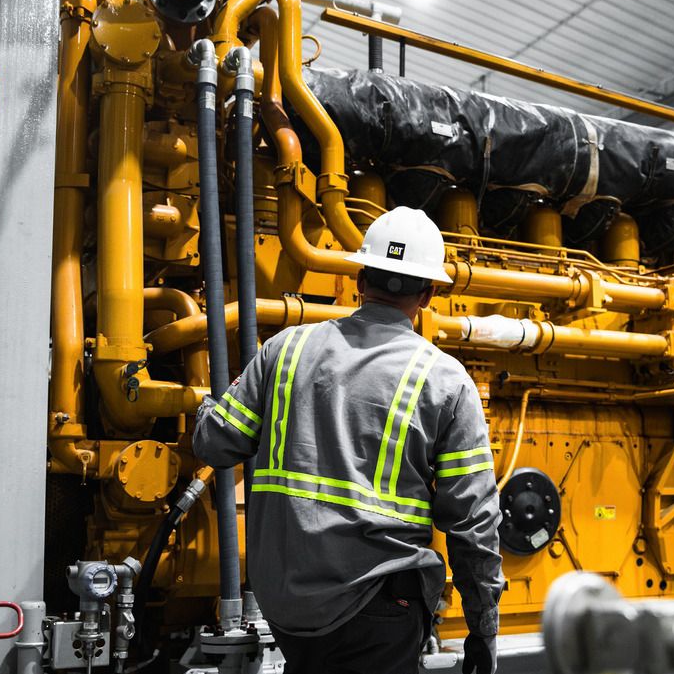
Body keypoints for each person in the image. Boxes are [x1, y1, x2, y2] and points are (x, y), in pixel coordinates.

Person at [193, 206, 503, 674]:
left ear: (360, 278)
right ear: (429, 293)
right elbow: (472, 521)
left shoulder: (284, 349)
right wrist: (482, 628)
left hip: (288, 610)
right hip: (377, 609)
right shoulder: (445, 380)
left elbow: (214, 444)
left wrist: (205, 405)